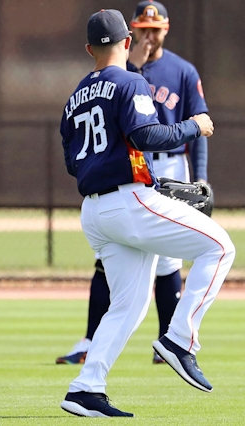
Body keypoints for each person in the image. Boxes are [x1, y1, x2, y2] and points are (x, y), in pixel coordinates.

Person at [59, 9, 235, 417]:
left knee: (129, 304)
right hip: (128, 201)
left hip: (94, 211)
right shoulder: (130, 80)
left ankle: (86, 387)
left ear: (89, 50)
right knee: (221, 247)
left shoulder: (73, 99)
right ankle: (179, 340)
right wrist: (195, 125)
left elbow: (73, 162)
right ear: (126, 43)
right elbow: (147, 135)